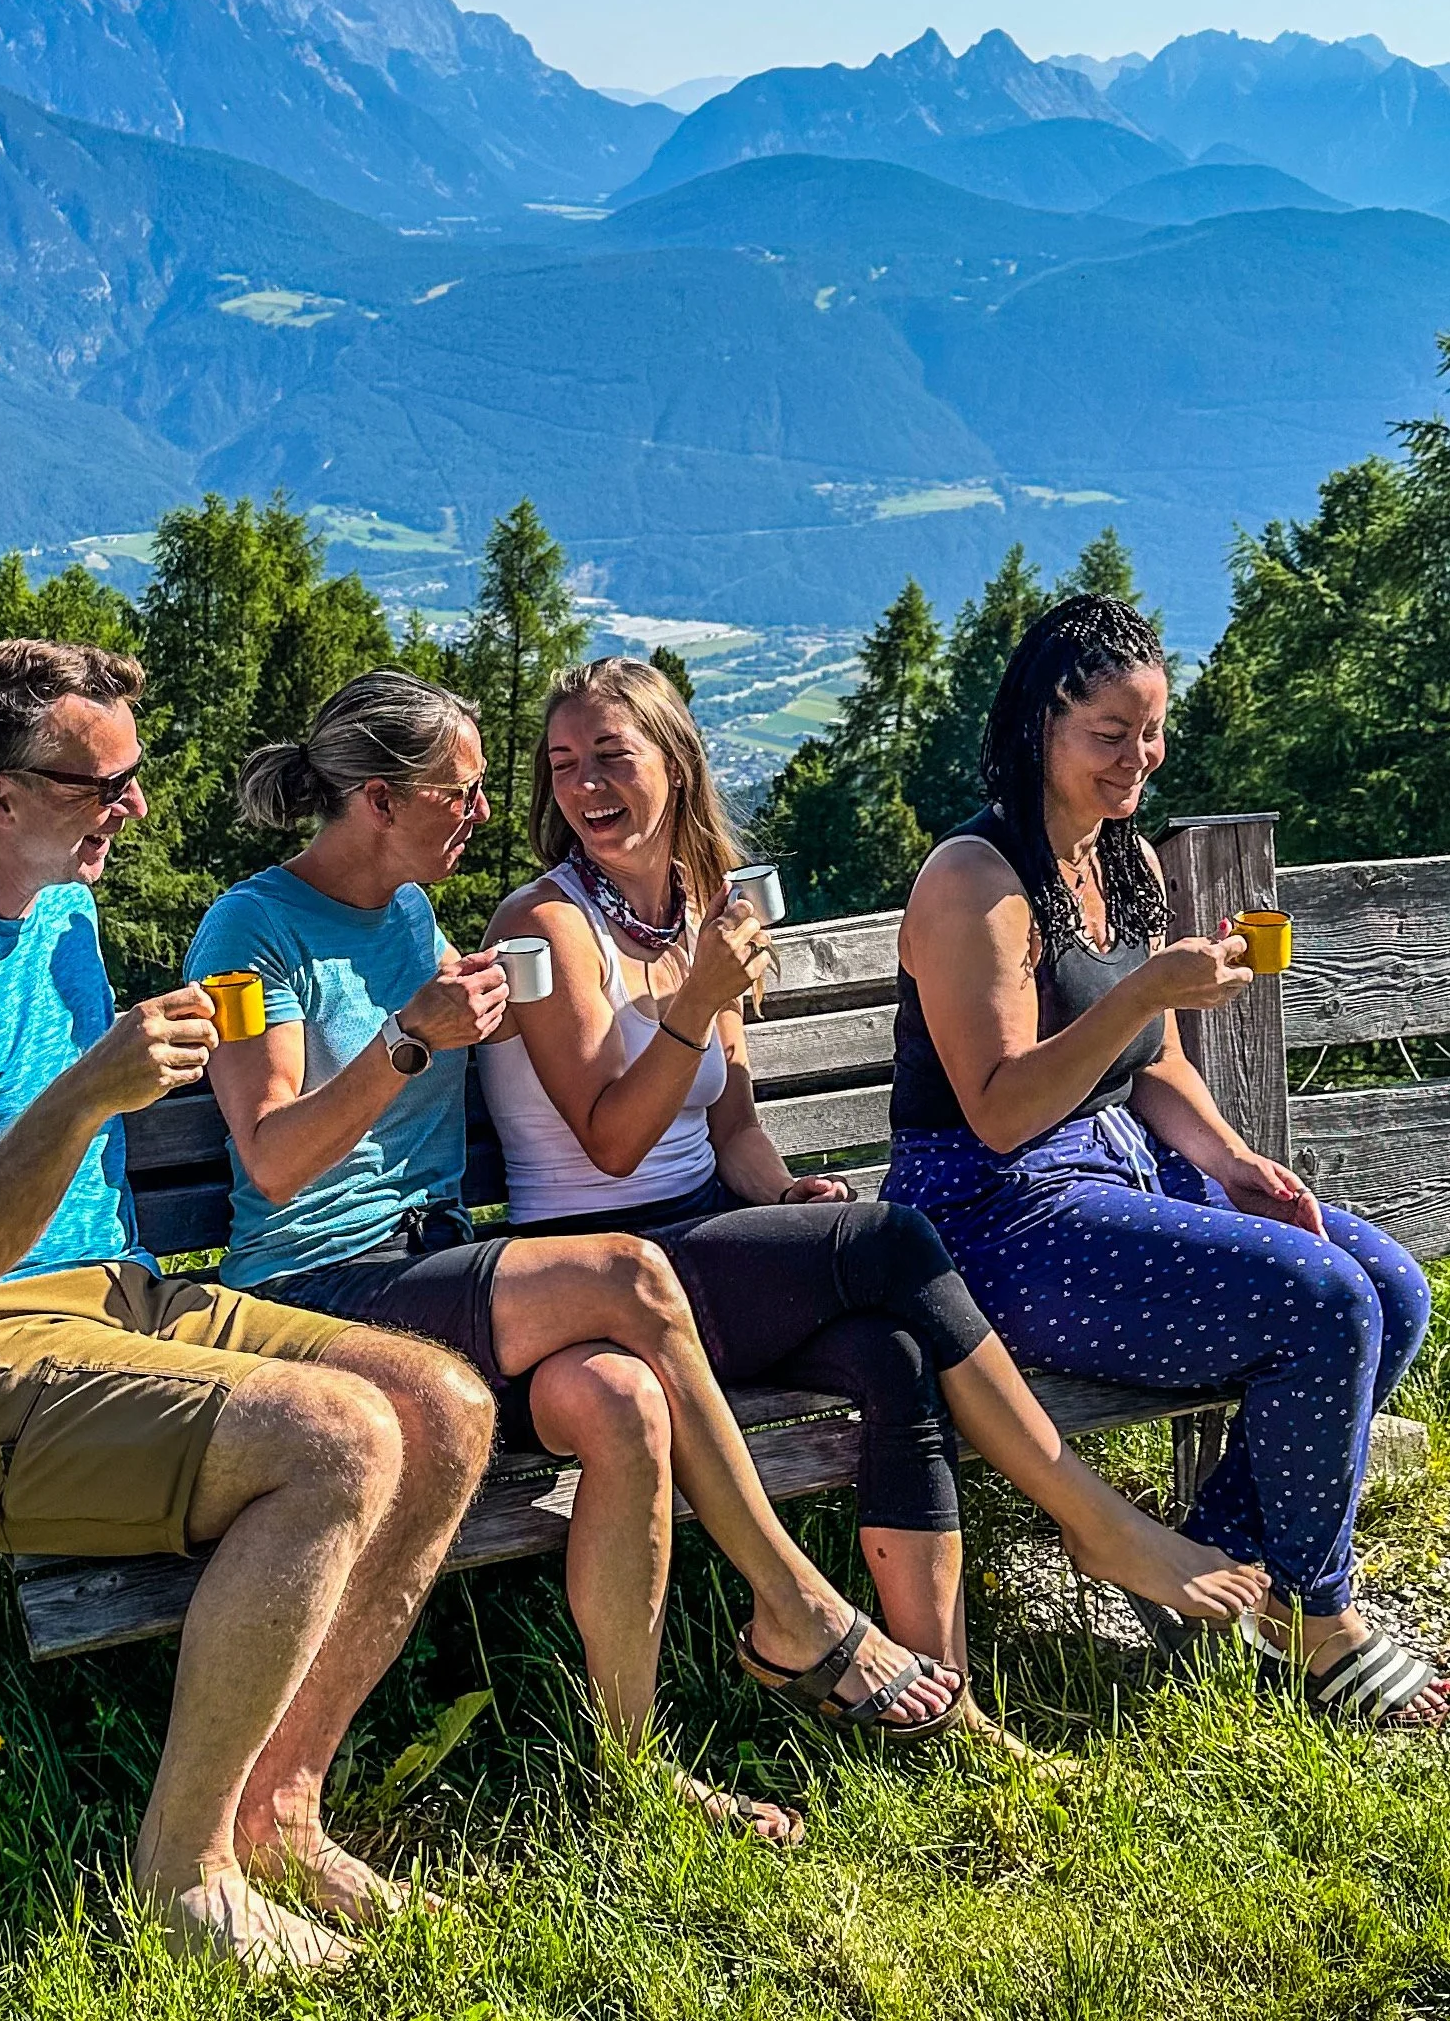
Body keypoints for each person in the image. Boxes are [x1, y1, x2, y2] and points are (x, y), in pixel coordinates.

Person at [0, 639, 500, 1978]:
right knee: (336, 1437)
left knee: (443, 1407)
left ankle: (281, 1809)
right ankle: (184, 1875)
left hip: (116, 1303)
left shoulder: (56, 895)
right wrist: (89, 1093)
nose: (136, 809)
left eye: (136, 771)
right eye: (100, 782)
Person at [187, 668, 968, 1844]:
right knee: (629, 1277)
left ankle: (629, 1766)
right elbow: (274, 1158)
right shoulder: (249, 927)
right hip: (315, 1289)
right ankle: (796, 1607)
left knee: (620, 1399)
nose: (487, 813)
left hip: (437, 1264)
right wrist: (409, 1038)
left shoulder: (408, 915)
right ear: (381, 800)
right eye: (460, 790)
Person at [477, 657, 1268, 1746]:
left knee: (889, 1357)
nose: (586, 786)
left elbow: (732, 1127)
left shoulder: (703, 910)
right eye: (564, 765)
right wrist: (693, 1006)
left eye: (612, 756)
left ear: (675, 762)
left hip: (701, 1234)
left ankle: (941, 1699)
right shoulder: (546, 923)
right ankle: (1095, 1523)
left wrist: (782, 1191)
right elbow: (609, 1145)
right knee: (894, 1242)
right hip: (592, 1264)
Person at [883, 593, 1448, 1727]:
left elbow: (1154, 1068)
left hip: (1118, 1171)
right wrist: (1144, 986)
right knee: (1326, 1300)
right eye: (1109, 734)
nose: (1137, 758)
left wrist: (1235, 1164)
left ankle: (1215, 1556)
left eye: (1150, 732)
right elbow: (998, 1112)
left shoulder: (1122, 859)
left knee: (1388, 1281)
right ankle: (1316, 1611)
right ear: (1038, 725)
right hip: (991, 1217)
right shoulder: (973, 881)